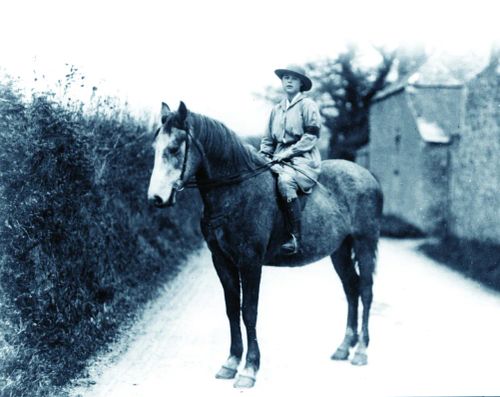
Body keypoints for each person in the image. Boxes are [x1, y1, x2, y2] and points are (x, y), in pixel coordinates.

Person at [260, 65, 322, 255]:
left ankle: (295, 236)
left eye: (293, 78)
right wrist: (262, 155)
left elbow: (311, 137)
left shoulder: (307, 105)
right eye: (285, 77)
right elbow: (268, 139)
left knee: (285, 181)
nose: (288, 81)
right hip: (277, 157)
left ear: (301, 83)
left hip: (303, 158)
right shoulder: (276, 109)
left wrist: (287, 153)